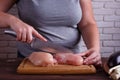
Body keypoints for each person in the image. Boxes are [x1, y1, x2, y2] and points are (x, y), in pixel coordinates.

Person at [0, 0, 101, 66]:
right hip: (32, 62)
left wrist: (94, 48)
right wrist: (12, 20)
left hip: (74, 60)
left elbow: (87, 23)